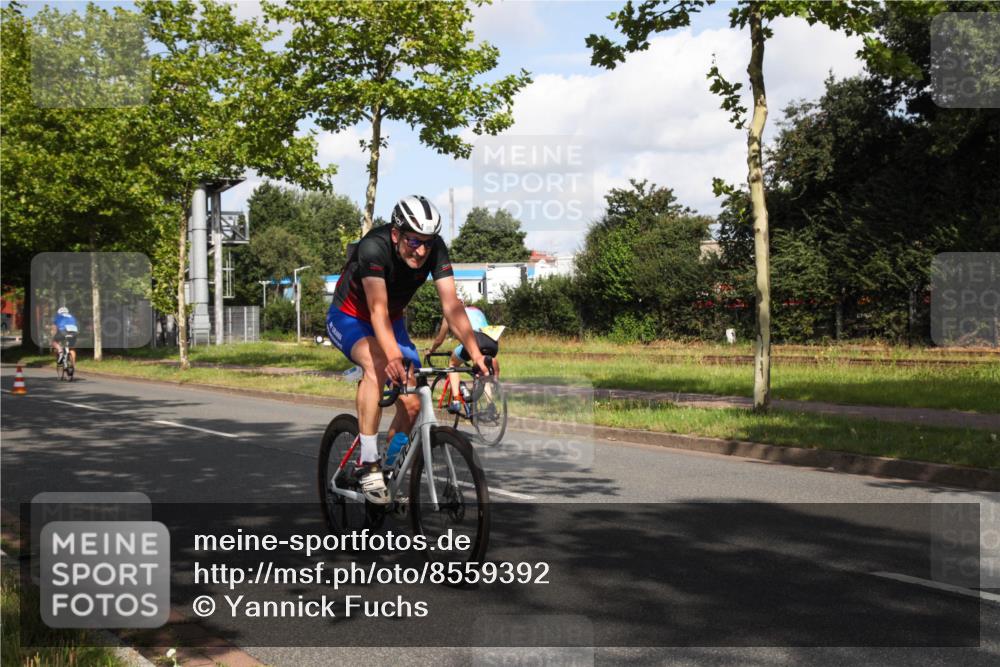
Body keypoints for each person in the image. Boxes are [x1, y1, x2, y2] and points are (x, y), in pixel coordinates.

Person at [327, 195, 492, 504]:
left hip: (391, 321)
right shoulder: (373, 247)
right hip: (349, 317)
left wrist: (476, 353)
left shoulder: (434, 249)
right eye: (414, 241)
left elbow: (451, 306)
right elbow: (376, 309)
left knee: (414, 401)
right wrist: (392, 358)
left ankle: (389, 468)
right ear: (395, 234)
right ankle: (367, 462)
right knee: (378, 366)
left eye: (427, 243)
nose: (421, 250)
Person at [425, 299, 501, 416]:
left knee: (453, 365)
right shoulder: (477, 311)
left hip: (474, 341)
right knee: (483, 372)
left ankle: (456, 401)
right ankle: (490, 406)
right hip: (492, 342)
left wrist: (431, 350)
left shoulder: (450, 312)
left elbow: (440, 339)